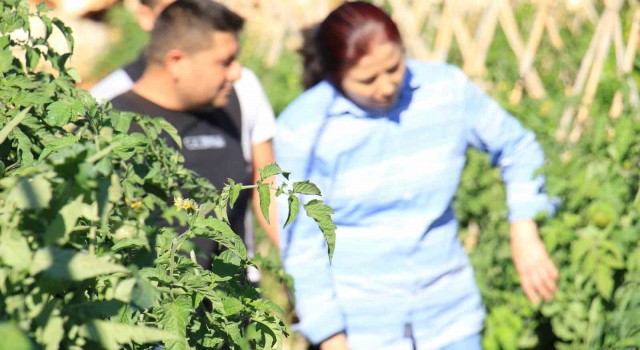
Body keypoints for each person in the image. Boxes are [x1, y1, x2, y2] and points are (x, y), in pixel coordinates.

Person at [275, 2, 559, 349]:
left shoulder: (445, 91)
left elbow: (518, 146)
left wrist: (524, 227)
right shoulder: (302, 128)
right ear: (334, 74)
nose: (386, 86)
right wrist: (330, 333)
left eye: (394, 68)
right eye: (367, 79)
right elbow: (300, 242)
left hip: (450, 316)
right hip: (363, 326)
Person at [108, 0, 277, 270]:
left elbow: (269, 186)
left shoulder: (236, 102)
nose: (236, 73)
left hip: (233, 304)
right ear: (177, 62)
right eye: (225, 62)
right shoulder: (109, 124)